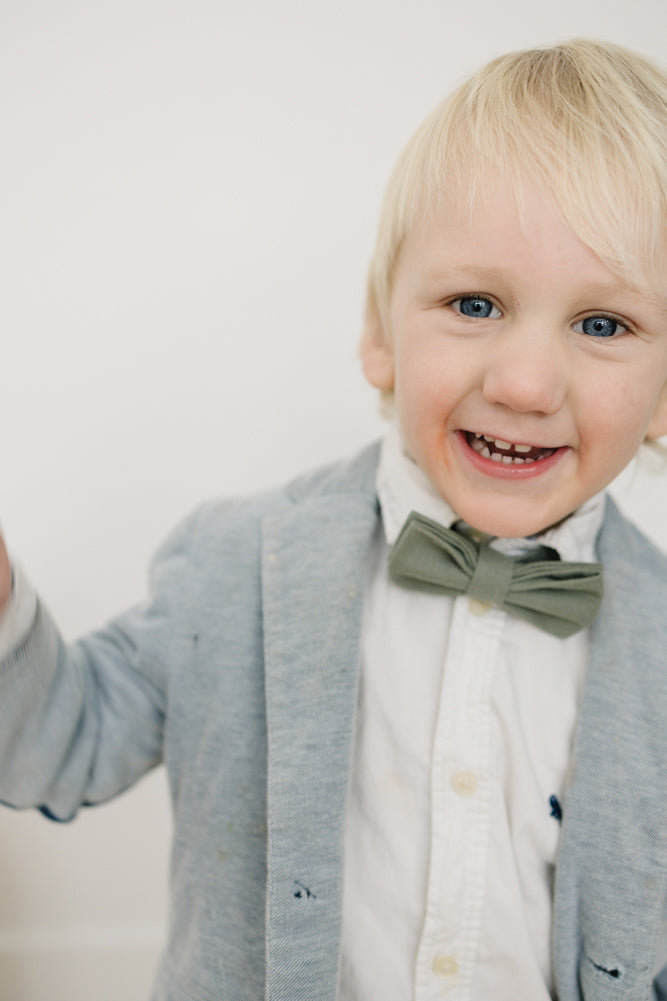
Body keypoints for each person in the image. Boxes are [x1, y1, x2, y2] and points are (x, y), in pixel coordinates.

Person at [0, 37, 666, 1001]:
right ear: (379, 332)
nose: (524, 383)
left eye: (602, 324)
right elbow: (56, 747)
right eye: (474, 303)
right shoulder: (236, 564)